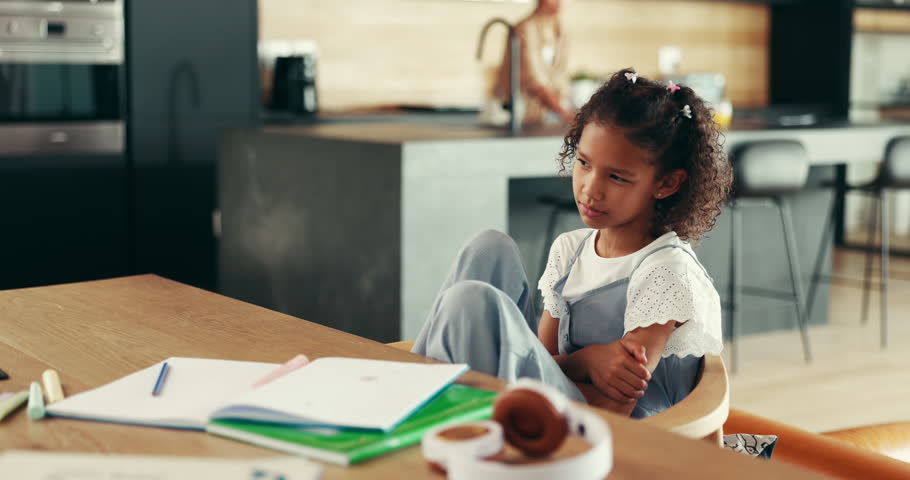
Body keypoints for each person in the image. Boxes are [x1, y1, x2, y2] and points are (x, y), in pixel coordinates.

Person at [412, 68, 732, 418]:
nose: (589, 189)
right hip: (560, 395)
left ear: (667, 184)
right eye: (583, 162)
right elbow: (547, 359)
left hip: (612, 428)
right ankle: (419, 397)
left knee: (470, 302)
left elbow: (616, 407)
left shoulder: (665, 272)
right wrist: (586, 361)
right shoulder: (570, 250)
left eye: (616, 177)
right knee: (488, 248)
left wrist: (566, 367)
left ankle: (416, 403)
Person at [493, 0, 574, 126]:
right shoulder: (524, 28)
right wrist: (564, 113)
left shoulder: (561, 30)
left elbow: (561, 75)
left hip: (544, 116)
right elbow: (533, 79)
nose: (560, 2)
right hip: (516, 114)